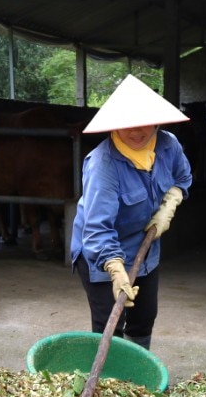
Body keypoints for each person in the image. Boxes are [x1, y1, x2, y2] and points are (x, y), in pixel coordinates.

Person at [69, 74, 193, 351]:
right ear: (115, 126)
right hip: (101, 251)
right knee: (110, 321)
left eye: (144, 124)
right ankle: (112, 378)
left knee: (144, 316)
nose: (137, 132)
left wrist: (169, 206)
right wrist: (115, 269)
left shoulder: (167, 144)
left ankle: (138, 375)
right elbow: (97, 229)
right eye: (128, 126)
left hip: (146, 248)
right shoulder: (104, 165)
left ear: (157, 121)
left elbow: (182, 178)